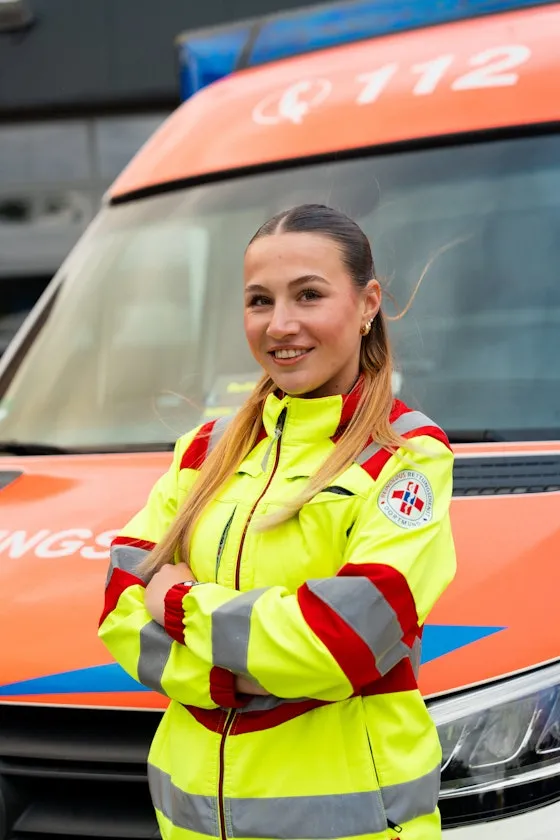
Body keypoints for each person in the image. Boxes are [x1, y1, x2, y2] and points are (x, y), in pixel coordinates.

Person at [99, 204, 456, 840]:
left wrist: (180, 604)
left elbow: (342, 641)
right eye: (259, 301)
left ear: (368, 302)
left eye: (309, 295)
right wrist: (238, 674)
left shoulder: (407, 457)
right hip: (191, 824)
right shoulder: (205, 449)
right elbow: (120, 607)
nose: (280, 325)